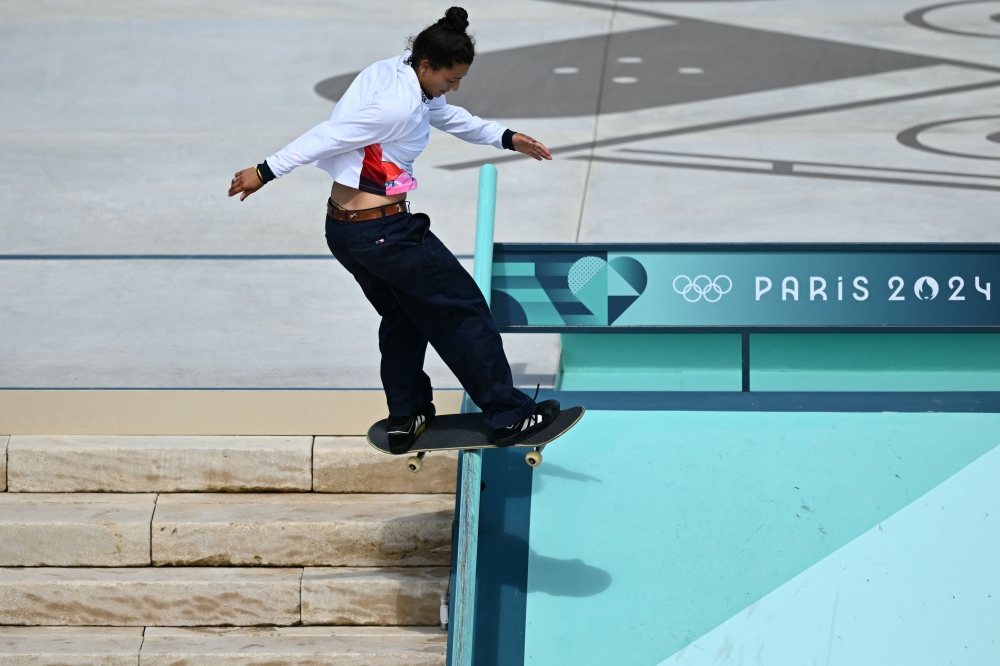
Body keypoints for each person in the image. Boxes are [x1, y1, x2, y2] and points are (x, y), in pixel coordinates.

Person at [228, 7, 559, 452]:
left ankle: (408, 414)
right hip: (388, 234)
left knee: (403, 316)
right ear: (426, 65)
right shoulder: (397, 107)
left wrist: (505, 136)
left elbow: (447, 115)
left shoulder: (392, 72)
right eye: (450, 79)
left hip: (345, 232)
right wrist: (265, 171)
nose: (454, 87)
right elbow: (328, 135)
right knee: (462, 313)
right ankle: (509, 416)